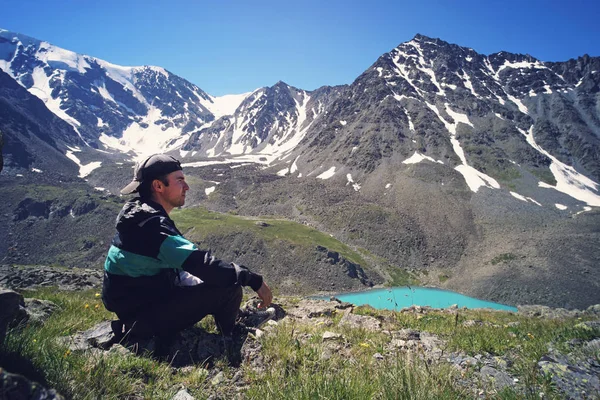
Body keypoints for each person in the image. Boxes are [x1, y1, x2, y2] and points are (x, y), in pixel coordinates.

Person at [101, 154, 272, 353]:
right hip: (143, 318)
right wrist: (252, 279)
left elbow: (179, 266)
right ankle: (232, 335)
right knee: (230, 285)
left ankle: (234, 316)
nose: (187, 187)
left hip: (138, 307)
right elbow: (204, 265)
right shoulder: (154, 228)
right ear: (158, 186)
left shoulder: (140, 216)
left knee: (211, 278)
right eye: (180, 180)